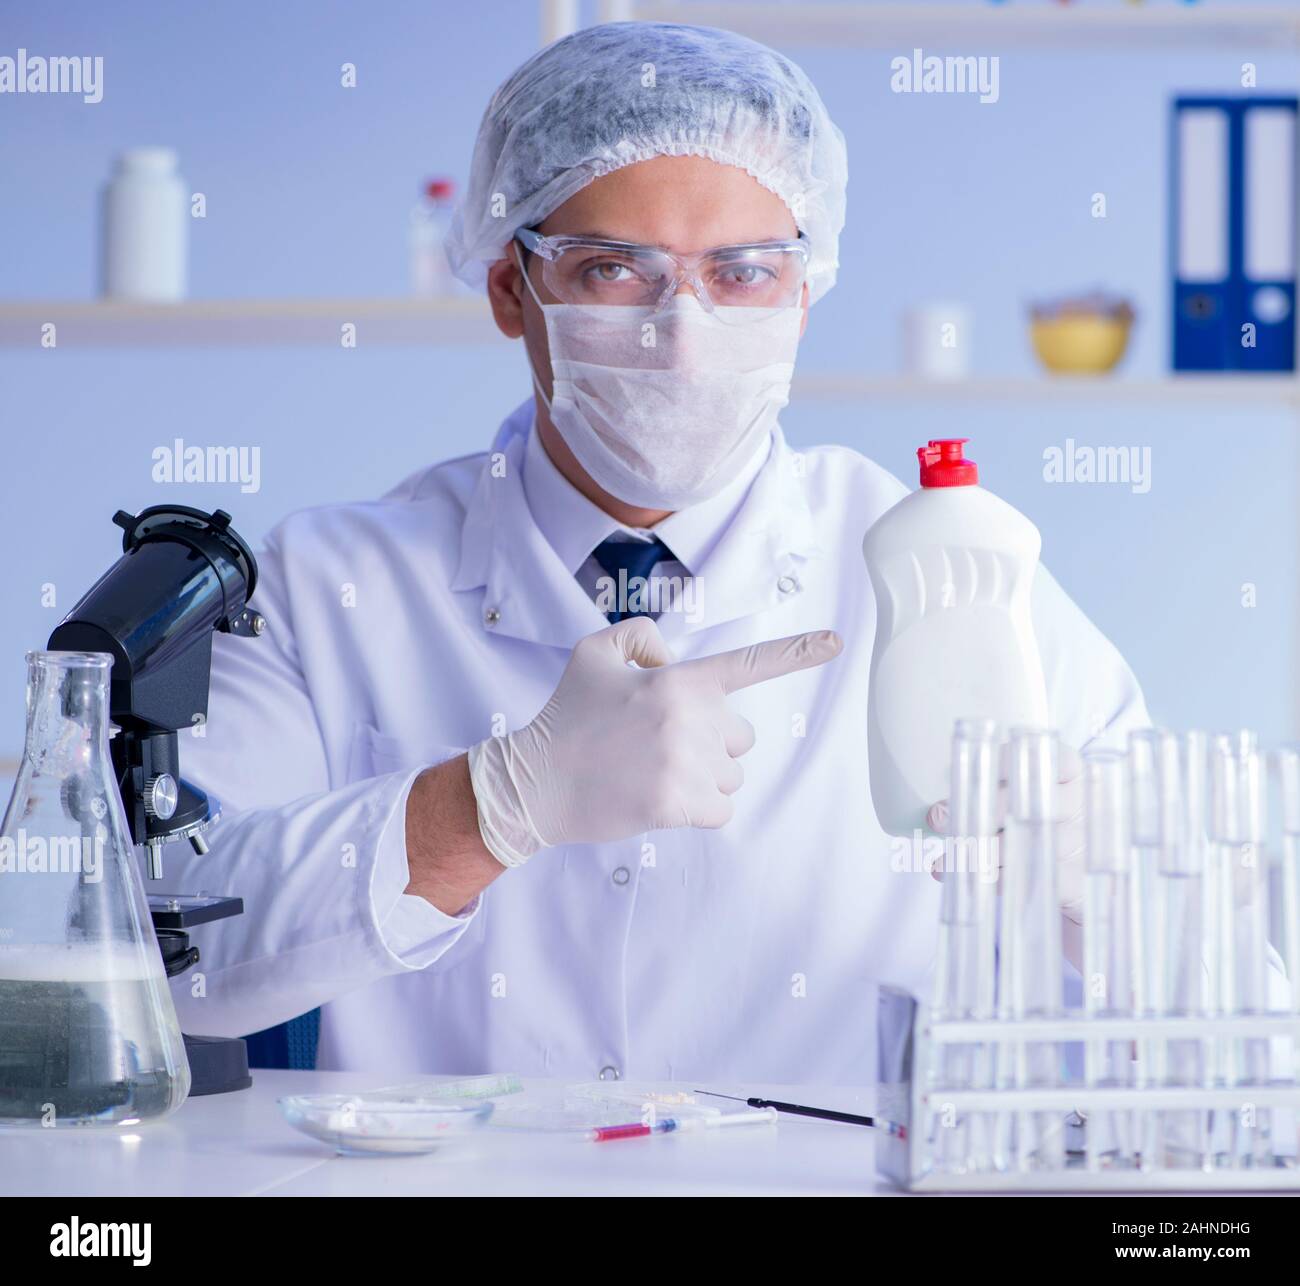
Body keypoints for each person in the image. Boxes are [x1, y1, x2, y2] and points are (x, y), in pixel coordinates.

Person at [168, 21, 1149, 1083]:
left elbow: (1237, 1018)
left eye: (742, 275)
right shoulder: (329, 587)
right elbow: (168, 958)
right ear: (511, 288)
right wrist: (493, 802)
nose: (680, 334)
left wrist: (1116, 908)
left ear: (805, 291)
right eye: (612, 272)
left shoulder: (949, 574)